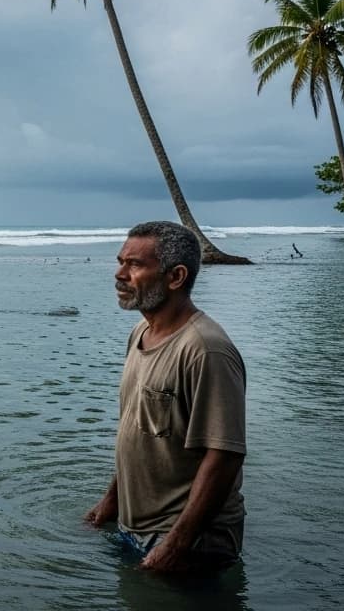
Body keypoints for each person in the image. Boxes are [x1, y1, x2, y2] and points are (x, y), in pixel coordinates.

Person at [84, 221, 247, 572]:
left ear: (175, 277)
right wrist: (112, 499)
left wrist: (176, 544)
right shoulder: (140, 332)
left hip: (188, 541)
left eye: (135, 265)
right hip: (137, 529)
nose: (120, 274)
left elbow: (225, 456)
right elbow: (138, 428)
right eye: (120, 261)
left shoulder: (205, 350)